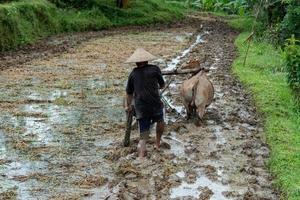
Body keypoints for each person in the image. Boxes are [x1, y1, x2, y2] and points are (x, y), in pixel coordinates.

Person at [125, 48, 165, 158]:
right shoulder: (155, 69)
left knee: (143, 137)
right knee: (160, 120)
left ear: (136, 62)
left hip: (141, 107)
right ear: (147, 60)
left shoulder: (133, 74)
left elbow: (129, 92)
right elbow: (162, 85)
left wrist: (128, 106)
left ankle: (141, 157)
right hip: (155, 103)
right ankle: (157, 143)